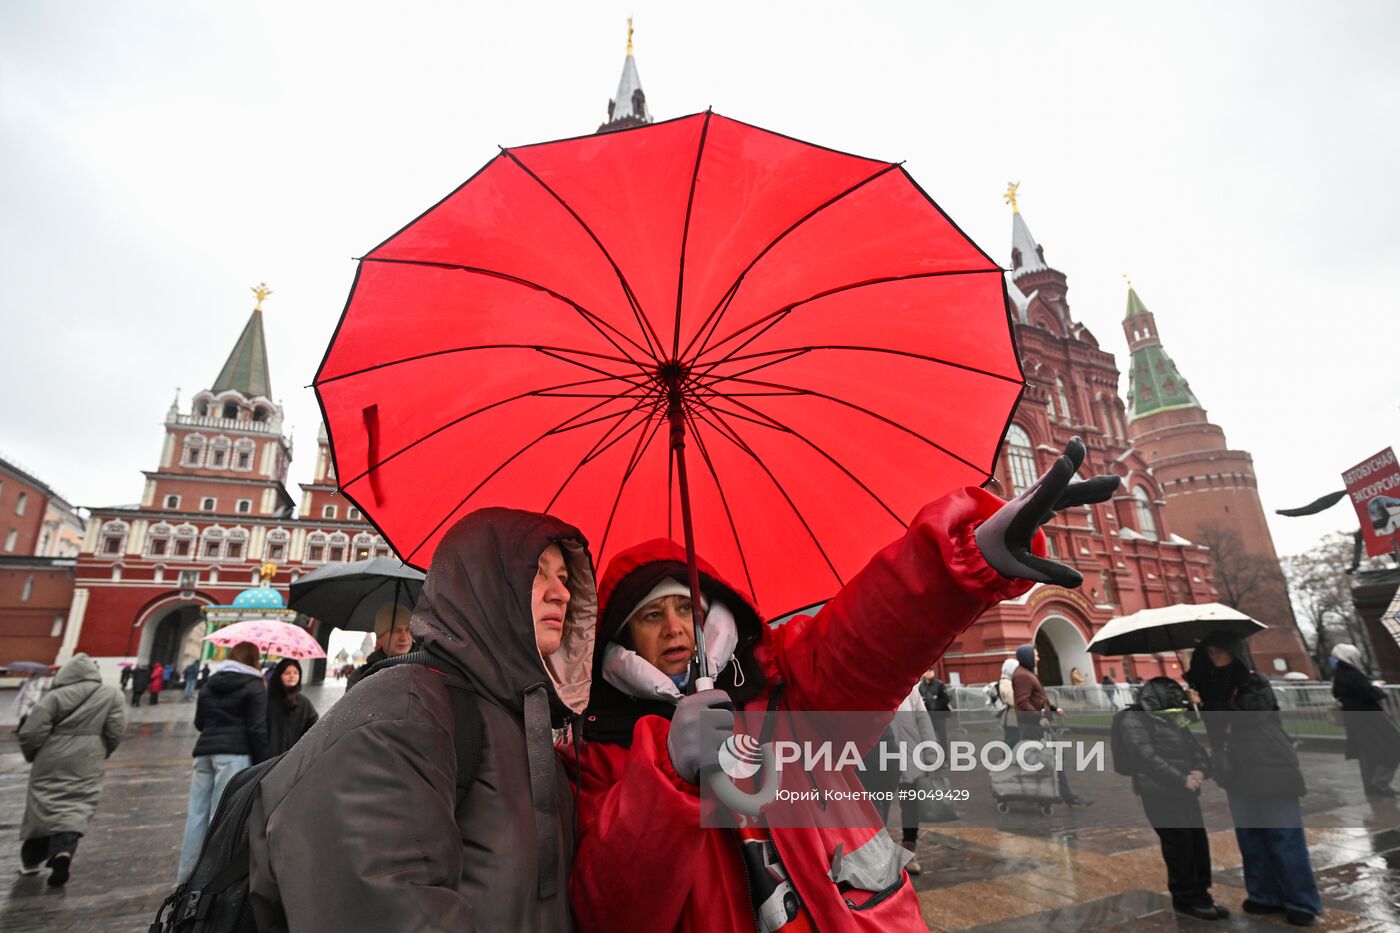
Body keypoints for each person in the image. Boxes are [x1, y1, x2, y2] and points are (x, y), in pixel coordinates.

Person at [570, 437, 1118, 931]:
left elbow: (867, 637)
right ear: (623, 641)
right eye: (650, 616)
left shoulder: (781, 680)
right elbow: (609, 910)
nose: (673, 628)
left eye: (687, 607)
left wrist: (969, 558)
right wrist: (665, 774)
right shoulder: (601, 748)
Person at [248, 508, 597, 932]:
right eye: (538, 572)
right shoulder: (404, 714)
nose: (561, 593)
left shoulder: (523, 719)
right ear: (483, 583)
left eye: (564, 577)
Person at [1187, 632, 1322, 926]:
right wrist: (1196, 705)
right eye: (1209, 653)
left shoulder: (1253, 681)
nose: (1215, 658)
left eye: (1220, 652)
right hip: (1237, 772)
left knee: (1284, 838)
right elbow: (1215, 729)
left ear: (1234, 652)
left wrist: (1208, 704)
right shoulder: (1209, 688)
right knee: (1250, 838)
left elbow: (1250, 715)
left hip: (1271, 767)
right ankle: (1264, 895)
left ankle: (1301, 902)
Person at [1118, 677, 1226, 920]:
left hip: (1185, 790)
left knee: (1197, 841)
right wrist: (1180, 779)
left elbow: (1193, 746)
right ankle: (1185, 898)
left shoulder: (1170, 716)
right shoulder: (1133, 718)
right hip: (1158, 792)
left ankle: (1202, 894)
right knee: (1179, 844)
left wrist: (1201, 769)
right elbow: (1143, 755)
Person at [18, 653, 126, 887]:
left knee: (42, 805)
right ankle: (64, 852)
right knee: (78, 804)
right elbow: (116, 731)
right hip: (89, 755)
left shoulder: (54, 696)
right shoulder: (111, 695)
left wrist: (32, 754)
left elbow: (31, 732)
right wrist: (102, 751)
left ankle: (30, 860)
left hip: (51, 754)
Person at [176, 641, 269, 882]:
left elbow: (199, 722)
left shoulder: (211, 682)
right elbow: (257, 729)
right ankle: (210, 878)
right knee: (224, 816)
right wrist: (263, 762)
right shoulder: (254, 685)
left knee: (196, 815)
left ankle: (186, 877)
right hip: (234, 754)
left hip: (205, 752)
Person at [1013, 644, 1093, 807]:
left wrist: (1054, 708)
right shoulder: (1023, 675)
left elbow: (1038, 698)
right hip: (1034, 725)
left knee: (1045, 758)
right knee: (1047, 758)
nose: (1038, 657)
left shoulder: (1027, 673)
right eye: (1035, 655)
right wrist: (1039, 717)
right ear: (1028, 656)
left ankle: (1053, 793)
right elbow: (1022, 702)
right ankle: (1059, 794)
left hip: (1035, 724)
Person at [1330, 643, 1400, 798]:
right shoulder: (1352, 673)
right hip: (1370, 717)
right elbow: (1370, 695)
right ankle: (1380, 781)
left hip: (1355, 719)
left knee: (1367, 753)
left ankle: (1372, 788)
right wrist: (1376, 687)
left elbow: (1337, 693)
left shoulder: (1339, 674)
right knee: (1394, 745)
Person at [345, 604, 417, 687]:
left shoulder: (429, 669)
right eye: (395, 631)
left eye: (408, 630)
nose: (404, 638)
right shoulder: (360, 676)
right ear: (379, 637)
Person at [264, 658, 319, 758]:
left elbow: (314, 726)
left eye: (295, 672)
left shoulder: (304, 702)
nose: (292, 676)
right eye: (287, 673)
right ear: (278, 676)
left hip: (293, 759)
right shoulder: (267, 700)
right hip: (268, 759)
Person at [918, 669, 951, 755]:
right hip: (928, 716)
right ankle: (935, 758)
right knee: (930, 737)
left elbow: (946, 698)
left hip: (939, 715)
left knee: (941, 737)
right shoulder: (921, 686)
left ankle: (945, 758)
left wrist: (936, 707)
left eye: (929, 671)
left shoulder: (939, 684)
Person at [996, 657, 1020, 745]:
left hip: (1012, 716)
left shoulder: (1008, 682)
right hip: (1011, 717)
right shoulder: (1006, 683)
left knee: (1012, 739)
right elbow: (1012, 700)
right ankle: (1006, 758)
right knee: (1012, 740)